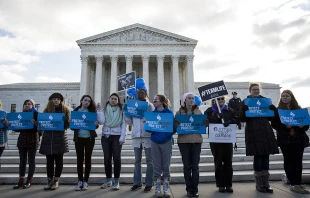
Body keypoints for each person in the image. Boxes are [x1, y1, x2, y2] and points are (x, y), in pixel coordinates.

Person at [239, 83, 279, 193]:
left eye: (257, 89)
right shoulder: (245, 102)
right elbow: (242, 119)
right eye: (253, 89)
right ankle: (259, 183)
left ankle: (266, 183)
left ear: (259, 90)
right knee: (258, 157)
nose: (255, 91)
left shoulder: (265, 101)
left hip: (265, 130)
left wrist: (273, 109)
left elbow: (272, 117)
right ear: (250, 91)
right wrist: (244, 111)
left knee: (266, 156)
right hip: (253, 131)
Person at [271, 90, 310, 194]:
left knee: (298, 162)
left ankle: (298, 183)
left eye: (287, 96)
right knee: (289, 161)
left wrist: (302, 126)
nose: (284, 97)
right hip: (285, 140)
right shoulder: (278, 110)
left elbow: (306, 125)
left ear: (291, 97)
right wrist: (284, 126)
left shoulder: (299, 109)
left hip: (298, 139)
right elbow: (274, 124)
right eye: (283, 96)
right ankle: (293, 183)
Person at [124, 87, 155, 192]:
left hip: (147, 136)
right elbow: (129, 122)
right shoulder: (133, 105)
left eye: (143, 92)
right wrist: (126, 113)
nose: (141, 94)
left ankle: (149, 183)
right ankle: (137, 183)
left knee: (149, 161)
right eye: (139, 93)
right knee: (137, 161)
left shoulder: (150, 105)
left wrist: (148, 119)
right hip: (136, 136)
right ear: (136, 94)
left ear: (146, 93)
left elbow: (154, 118)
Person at [205, 97, 237, 193]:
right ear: (215, 101)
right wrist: (216, 117)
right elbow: (205, 121)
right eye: (218, 99)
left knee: (228, 162)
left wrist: (230, 121)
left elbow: (236, 118)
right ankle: (220, 184)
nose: (221, 101)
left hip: (227, 140)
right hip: (216, 141)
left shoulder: (229, 110)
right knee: (218, 162)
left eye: (222, 99)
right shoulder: (210, 110)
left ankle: (229, 184)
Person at [145, 94, 175, 198]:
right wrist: (146, 123)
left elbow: (173, 128)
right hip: (154, 141)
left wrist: (166, 135)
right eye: (153, 100)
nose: (153, 102)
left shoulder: (169, 113)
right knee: (156, 165)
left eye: (156, 100)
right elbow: (149, 130)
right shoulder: (152, 114)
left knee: (166, 165)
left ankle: (166, 188)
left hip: (166, 141)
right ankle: (157, 187)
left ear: (161, 102)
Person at [39, 93, 70, 190]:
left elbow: (67, 126)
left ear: (61, 101)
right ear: (51, 100)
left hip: (60, 138)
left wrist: (66, 122)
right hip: (48, 138)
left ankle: (56, 180)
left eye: (58, 99)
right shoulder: (46, 111)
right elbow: (41, 124)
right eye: (54, 99)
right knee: (49, 162)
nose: (56, 100)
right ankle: (49, 181)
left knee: (59, 161)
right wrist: (37, 123)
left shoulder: (65, 111)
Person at [175, 93, 203, 197]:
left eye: (193, 98)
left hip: (196, 141)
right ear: (184, 100)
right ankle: (188, 189)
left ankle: (195, 189)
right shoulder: (179, 112)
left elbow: (202, 124)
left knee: (195, 166)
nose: (191, 100)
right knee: (187, 166)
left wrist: (205, 122)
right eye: (189, 98)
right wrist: (178, 123)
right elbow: (176, 126)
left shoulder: (199, 112)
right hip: (184, 142)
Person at [98, 93, 126, 190]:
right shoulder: (104, 110)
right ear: (109, 99)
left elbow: (123, 125)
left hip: (117, 136)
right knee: (107, 158)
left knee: (117, 158)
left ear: (118, 101)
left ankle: (116, 180)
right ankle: (108, 179)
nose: (113, 100)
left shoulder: (122, 111)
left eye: (115, 99)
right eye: (112, 98)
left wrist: (123, 137)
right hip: (106, 136)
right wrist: (99, 111)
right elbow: (101, 122)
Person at [71, 95, 98, 191]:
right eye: (85, 100)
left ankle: (85, 181)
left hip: (89, 138)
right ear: (81, 101)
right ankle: (80, 181)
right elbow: (73, 127)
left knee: (88, 159)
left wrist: (96, 124)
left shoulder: (92, 112)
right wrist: (71, 122)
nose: (87, 102)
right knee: (79, 159)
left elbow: (95, 126)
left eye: (89, 101)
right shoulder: (75, 112)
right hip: (78, 138)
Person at [13, 99, 39, 189]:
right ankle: (21, 180)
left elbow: (40, 128)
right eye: (25, 104)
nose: (27, 105)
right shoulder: (21, 115)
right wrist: (11, 124)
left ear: (33, 105)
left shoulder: (36, 114)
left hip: (32, 140)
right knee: (22, 161)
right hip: (22, 140)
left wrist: (35, 123)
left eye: (29, 104)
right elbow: (17, 128)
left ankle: (29, 180)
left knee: (31, 161)